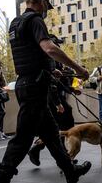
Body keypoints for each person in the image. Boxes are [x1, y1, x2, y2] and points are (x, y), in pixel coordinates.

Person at [0, 0, 91, 183]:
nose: (47, 9)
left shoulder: (15, 23)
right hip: (34, 89)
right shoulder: (35, 20)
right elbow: (49, 48)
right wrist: (78, 69)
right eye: (47, 4)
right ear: (40, 1)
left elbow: (28, 53)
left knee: (52, 135)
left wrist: (49, 70)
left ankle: (71, 172)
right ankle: (1, 178)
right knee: (23, 139)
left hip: (26, 83)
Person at [27, 35, 77, 166]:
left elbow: (57, 80)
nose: (59, 45)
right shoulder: (50, 57)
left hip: (52, 96)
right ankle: (60, 155)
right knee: (57, 126)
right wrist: (57, 103)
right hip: (50, 97)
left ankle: (58, 154)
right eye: (57, 43)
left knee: (53, 128)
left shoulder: (54, 58)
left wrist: (70, 89)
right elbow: (51, 83)